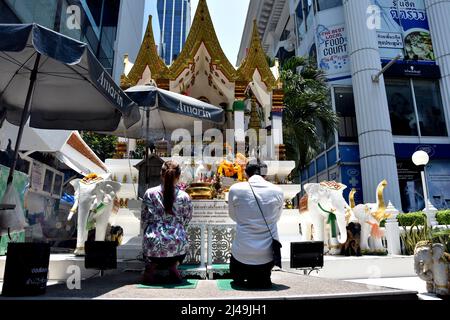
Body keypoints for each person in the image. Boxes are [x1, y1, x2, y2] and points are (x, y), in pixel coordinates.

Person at [227, 159, 284, 289]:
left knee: (236, 281)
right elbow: (277, 218)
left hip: (241, 253)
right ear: (265, 174)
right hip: (267, 255)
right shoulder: (278, 191)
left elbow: (233, 216)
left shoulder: (235, 189)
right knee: (262, 282)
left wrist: (246, 221)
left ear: (246, 173)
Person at [141, 160, 193, 284]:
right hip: (177, 242)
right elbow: (187, 218)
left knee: (152, 241)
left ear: (161, 174)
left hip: (152, 243)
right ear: (179, 176)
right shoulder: (184, 196)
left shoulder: (149, 193)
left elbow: (144, 217)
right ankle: (173, 266)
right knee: (180, 240)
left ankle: (152, 267)